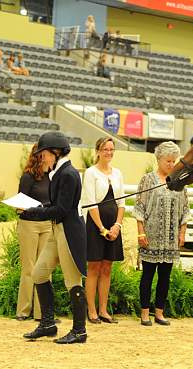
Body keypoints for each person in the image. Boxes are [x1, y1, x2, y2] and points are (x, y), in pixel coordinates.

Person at [22, 132, 88, 344]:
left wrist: (34, 212)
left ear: (56, 152)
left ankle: (79, 330)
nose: (42, 158)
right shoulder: (58, 172)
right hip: (56, 230)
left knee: (73, 282)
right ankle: (48, 324)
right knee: (39, 273)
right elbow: (56, 206)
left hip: (68, 233)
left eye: (44, 154)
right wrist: (38, 208)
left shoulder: (68, 174)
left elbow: (61, 210)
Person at [134, 141, 189, 326]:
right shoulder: (148, 180)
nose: (172, 165)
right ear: (159, 160)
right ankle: (144, 313)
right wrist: (141, 233)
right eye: (168, 161)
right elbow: (139, 207)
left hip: (171, 239)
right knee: (148, 276)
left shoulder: (179, 181)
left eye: (174, 161)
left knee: (165, 276)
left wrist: (182, 232)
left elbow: (185, 209)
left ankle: (159, 312)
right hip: (151, 236)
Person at [82, 137, 124, 324]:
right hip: (95, 225)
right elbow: (90, 203)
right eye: (105, 149)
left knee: (107, 267)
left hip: (114, 225)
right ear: (98, 151)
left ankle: (103, 310)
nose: (108, 152)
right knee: (94, 267)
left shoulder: (118, 174)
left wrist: (117, 226)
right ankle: (91, 310)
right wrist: (102, 229)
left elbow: (122, 203)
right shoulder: (91, 173)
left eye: (111, 149)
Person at [15, 144, 51, 321]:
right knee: (29, 268)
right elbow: (20, 204)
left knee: (44, 269)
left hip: (47, 225)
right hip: (29, 225)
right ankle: (23, 310)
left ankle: (42, 313)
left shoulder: (52, 176)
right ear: (39, 155)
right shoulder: (28, 177)